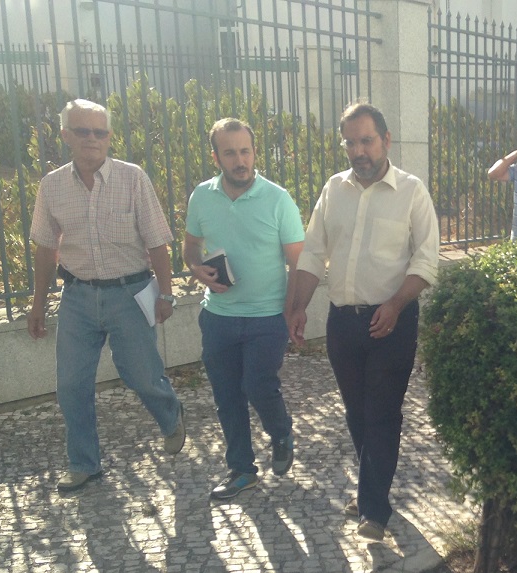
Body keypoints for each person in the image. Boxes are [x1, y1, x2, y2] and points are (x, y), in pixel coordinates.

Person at [285, 102, 439, 541]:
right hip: (343, 324)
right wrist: (298, 306)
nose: (358, 150)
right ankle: (373, 488)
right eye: (350, 142)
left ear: (386, 141)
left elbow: (427, 261)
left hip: (393, 320)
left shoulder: (411, 191)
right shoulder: (334, 190)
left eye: (366, 140)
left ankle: (374, 510)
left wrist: (394, 305)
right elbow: (314, 251)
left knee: (382, 413)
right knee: (357, 411)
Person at [27, 98, 186, 495]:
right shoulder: (52, 186)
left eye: (100, 132)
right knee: (71, 385)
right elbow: (46, 248)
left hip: (130, 292)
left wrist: (165, 294)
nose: (92, 139)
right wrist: (37, 302)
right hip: (78, 297)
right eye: (83, 131)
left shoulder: (133, 179)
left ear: (109, 137)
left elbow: (157, 243)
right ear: (65, 135)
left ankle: (170, 414)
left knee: (141, 375)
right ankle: (84, 463)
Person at [184, 118, 306, 501]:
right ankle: (241, 469)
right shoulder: (202, 196)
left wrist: (292, 313)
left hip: (267, 317)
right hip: (218, 316)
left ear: (255, 152)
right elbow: (190, 247)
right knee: (226, 396)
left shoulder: (278, 198)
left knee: (257, 385)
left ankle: (281, 431)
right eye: (230, 152)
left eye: (246, 151)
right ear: (216, 156)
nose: (240, 160)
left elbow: (298, 264)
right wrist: (195, 268)